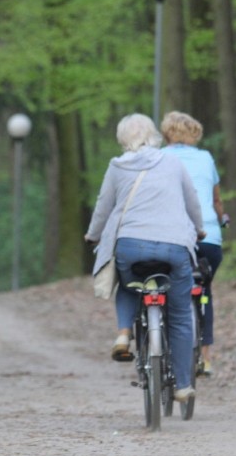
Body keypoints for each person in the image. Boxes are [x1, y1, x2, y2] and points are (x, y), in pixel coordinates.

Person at [84, 113, 205, 403]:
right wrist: (199, 230)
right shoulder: (172, 162)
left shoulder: (116, 166)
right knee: (178, 315)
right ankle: (183, 385)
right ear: (154, 135)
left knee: (127, 285)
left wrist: (92, 235)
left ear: (122, 138)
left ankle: (124, 335)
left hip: (130, 246)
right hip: (174, 246)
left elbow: (104, 206)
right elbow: (192, 201)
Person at [161, 111, 226, 376]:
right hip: (209, 239)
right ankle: (207, 357)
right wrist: (222, 220)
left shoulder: (160, 158)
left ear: (166, 135)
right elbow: (216, 201)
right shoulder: (206, 158)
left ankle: (163, 345)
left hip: (173, 236)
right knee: (204, 290)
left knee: (170, 288)